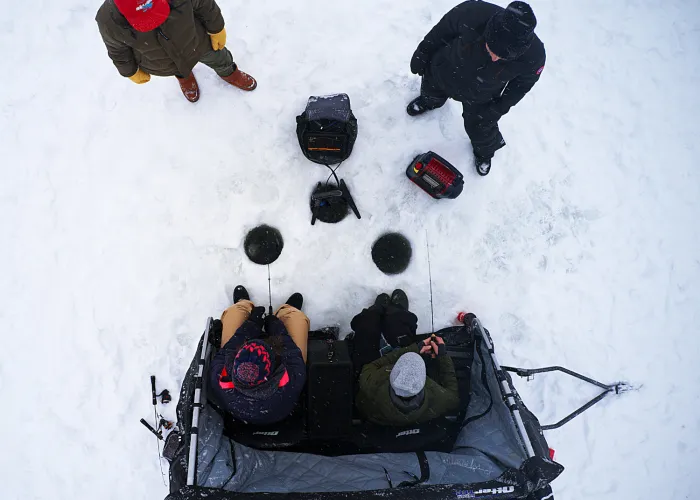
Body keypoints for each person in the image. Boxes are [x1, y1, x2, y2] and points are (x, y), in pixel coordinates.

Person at [407, 1, 546, 176]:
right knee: (431, 91)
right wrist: (422, 53)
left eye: (503, 57)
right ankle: (429, 103)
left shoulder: (535, 55)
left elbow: (522, 86)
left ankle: (484, 153)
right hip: (446, 69)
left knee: (482, 128)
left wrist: (497, 109)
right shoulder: (472, 12)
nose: (495, 59)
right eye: (492, 50)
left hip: (483, 94)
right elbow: (439, 32)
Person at [96, 0, 257, 103]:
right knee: (177, 67)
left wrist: (216, 28)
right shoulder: (108, 20)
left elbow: (205, 5)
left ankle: (229, 72)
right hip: (160, 60)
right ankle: (184, 77)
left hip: (196, 41)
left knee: (218, 57)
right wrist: (129, 71)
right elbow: (117, 50)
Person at [352, 290, 460, 426]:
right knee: (399, 328)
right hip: (388, 419)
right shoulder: (439, 399)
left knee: (367, 327)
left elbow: (372, 366)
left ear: (392, 373)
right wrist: (442, 356)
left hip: (373, 383)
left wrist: (416, 348)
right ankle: (397, 310)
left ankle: (377, 310)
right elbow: (453, 396)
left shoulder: (370, 384)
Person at [209, 285, 309, 425]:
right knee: (296, 320)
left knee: (235, 313)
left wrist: (252, 323)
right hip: (279, 414)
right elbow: (292, 353)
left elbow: (227, 350)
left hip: (242, 415)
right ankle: (288, 311)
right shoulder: (292, 378)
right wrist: (276, 327)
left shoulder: (220, 377)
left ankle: (243, 304)